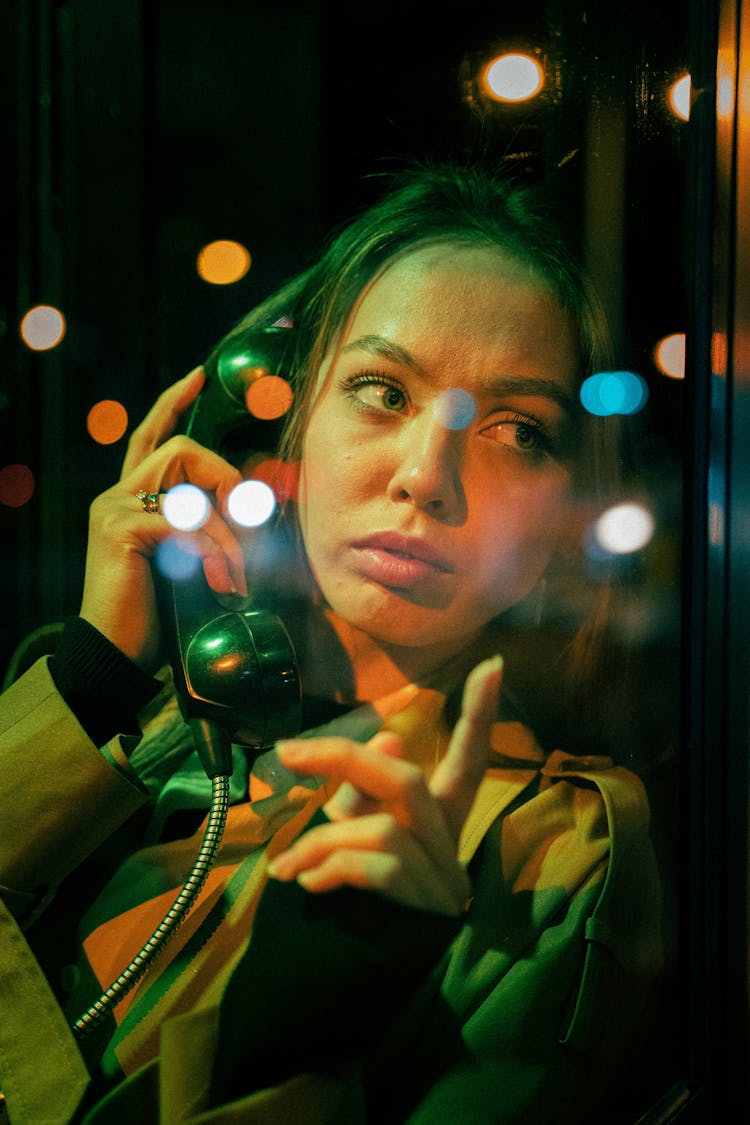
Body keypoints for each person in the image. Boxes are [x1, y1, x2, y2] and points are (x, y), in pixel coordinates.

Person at [0, 162, 663, 1124]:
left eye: (519, 431)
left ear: (569, 514)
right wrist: (93, 672)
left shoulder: (550, 849)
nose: (427, 476)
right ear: (291, 419)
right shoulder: (131, 706)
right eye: (382, 390)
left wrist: (300, 1031)